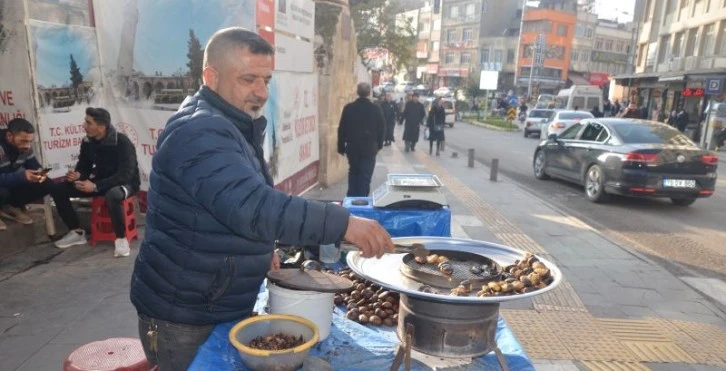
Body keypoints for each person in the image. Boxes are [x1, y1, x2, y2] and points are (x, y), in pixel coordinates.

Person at [130, 28, 394, 371]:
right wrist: (345, 224)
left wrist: (262, 246)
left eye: (266, 79)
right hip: (184, 317)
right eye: (249, 79)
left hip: (211, 300)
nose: (261, 92)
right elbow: (253, 207)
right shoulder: (200, 132)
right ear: (211, 77)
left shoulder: (231, 122)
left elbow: (233, 201)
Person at [52, 107, 140, 258]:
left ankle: (121, 239)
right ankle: (76, 231)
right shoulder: (87, 142)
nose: (84, 125)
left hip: (126, 183)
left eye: (88, 122)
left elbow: (126, 174)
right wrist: (78, 175)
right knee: (59, 189)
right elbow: (84, 166)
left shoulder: (122, 142)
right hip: (101, 182)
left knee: (113, 194)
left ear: (101, 127)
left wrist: (95, 186)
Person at [338, 82, 385, 197]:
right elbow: (382, 128)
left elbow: (342, 128)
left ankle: (351, 199)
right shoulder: (375, 108)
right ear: (369, 93)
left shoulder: (349, 108)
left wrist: (341, 146)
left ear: (357, 92)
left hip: (353, 147)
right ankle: (362, 200)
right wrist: (379, 145)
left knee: (353, 173)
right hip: (369, 148)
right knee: (365, 176)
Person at [0, 118, 48, 230]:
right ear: (9, 136)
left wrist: (40, 174)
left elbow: (34, 166)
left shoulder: (26, 148)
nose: (27, 146)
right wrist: (21, 176)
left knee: (46, 184)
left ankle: (9, 207)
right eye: (23, 141)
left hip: (7, 184)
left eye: (29, 141)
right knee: (3, 191)